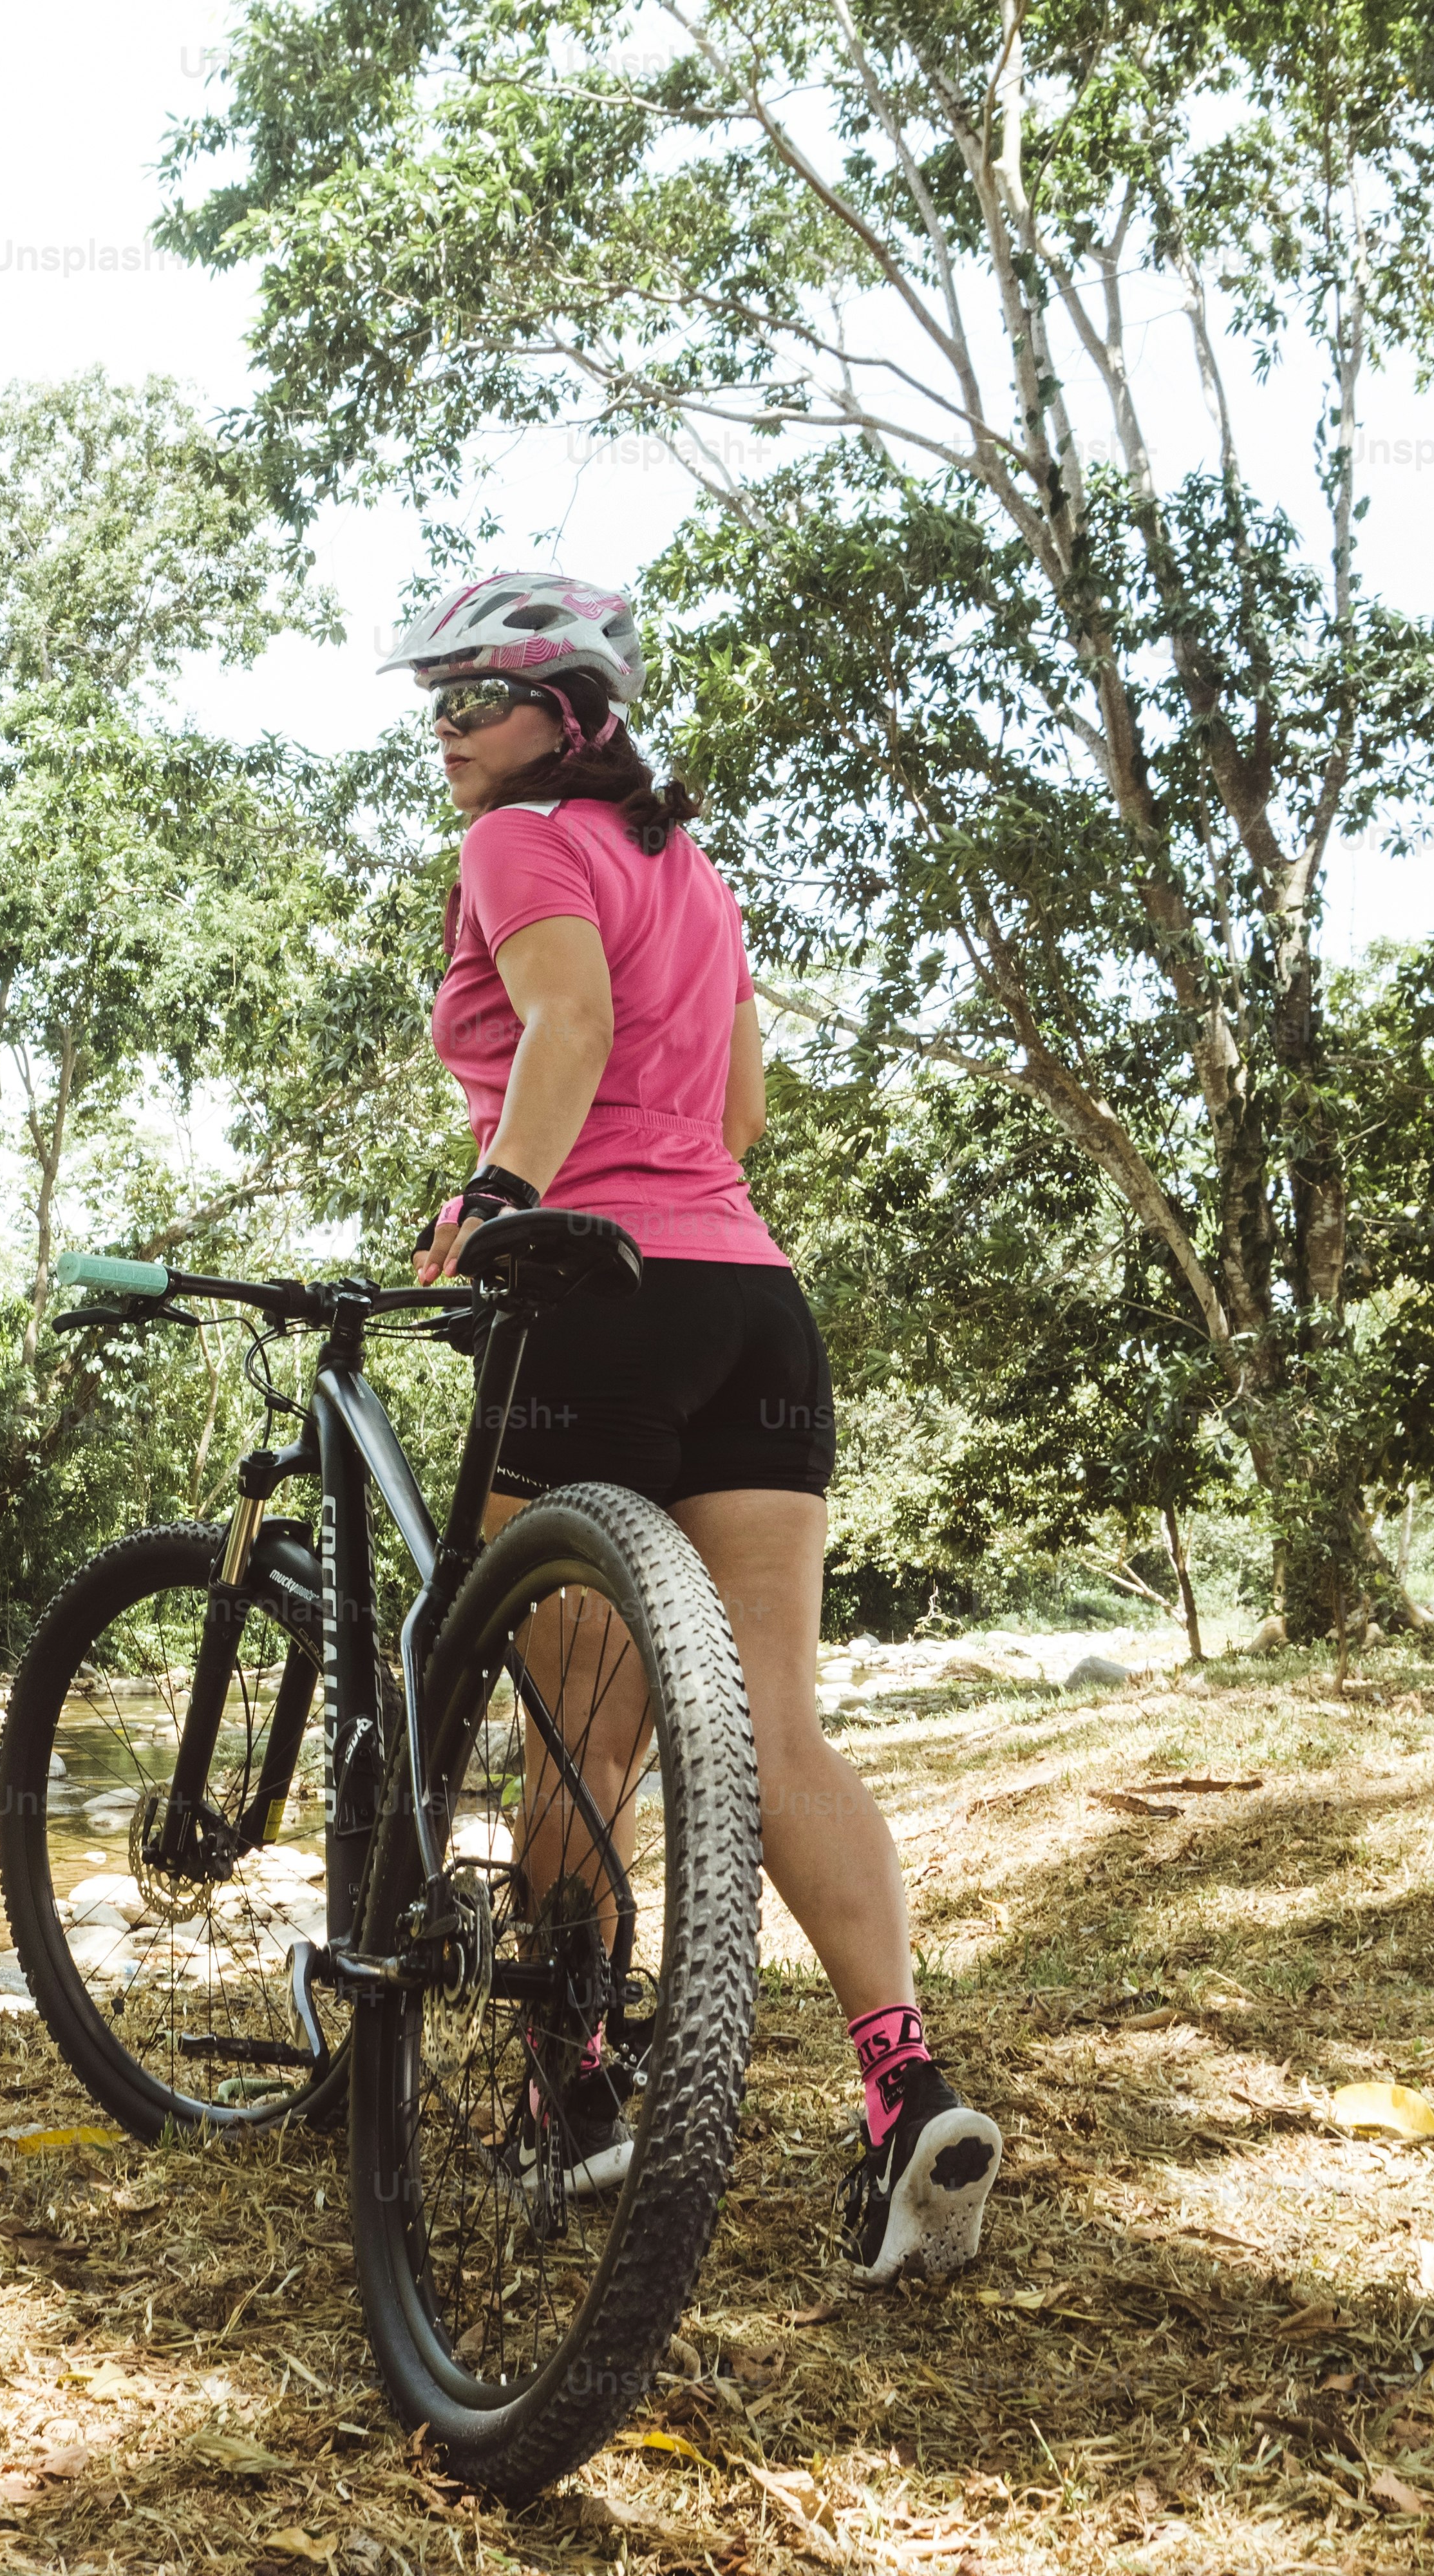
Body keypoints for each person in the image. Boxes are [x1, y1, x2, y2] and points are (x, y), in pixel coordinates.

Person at [393, 568, 1001, 2287]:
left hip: (601, 1292)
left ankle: (576, 2087)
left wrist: (504, 1189)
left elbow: (569, 1025)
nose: (441, 735)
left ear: (562, 713)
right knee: (778, 1729)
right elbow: (734, 1108)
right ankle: (904, 2087)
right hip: (756, 1306)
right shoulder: (692, 867)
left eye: (467, 701)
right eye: (431, 703)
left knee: (579, 1729)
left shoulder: (524, 840)